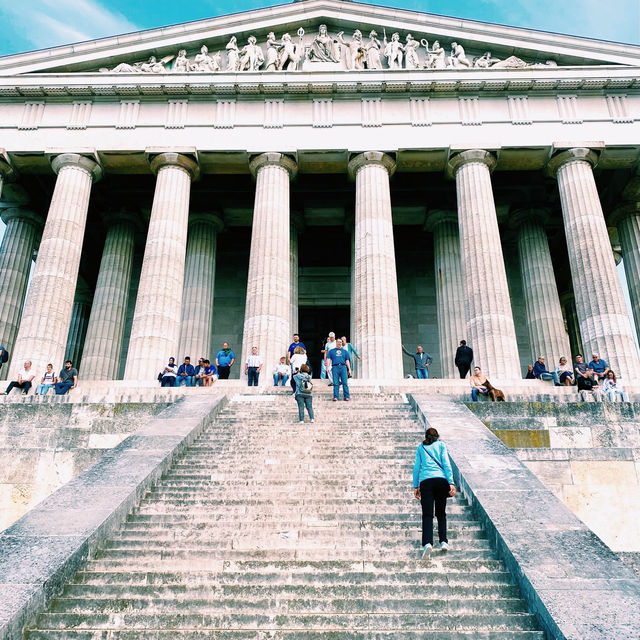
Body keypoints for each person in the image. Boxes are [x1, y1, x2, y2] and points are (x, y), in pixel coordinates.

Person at [413, 427, 456, 558]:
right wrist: (451, 482)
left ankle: (427, 543)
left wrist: (416, 486)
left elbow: (416, 467)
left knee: (427, 514)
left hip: (426, 482)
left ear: (426, 437)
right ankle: (443, 542)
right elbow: (446, 464)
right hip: (441, 480)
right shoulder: (441, 445)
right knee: (441, 513)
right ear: (437, 436)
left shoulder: (421, 448)